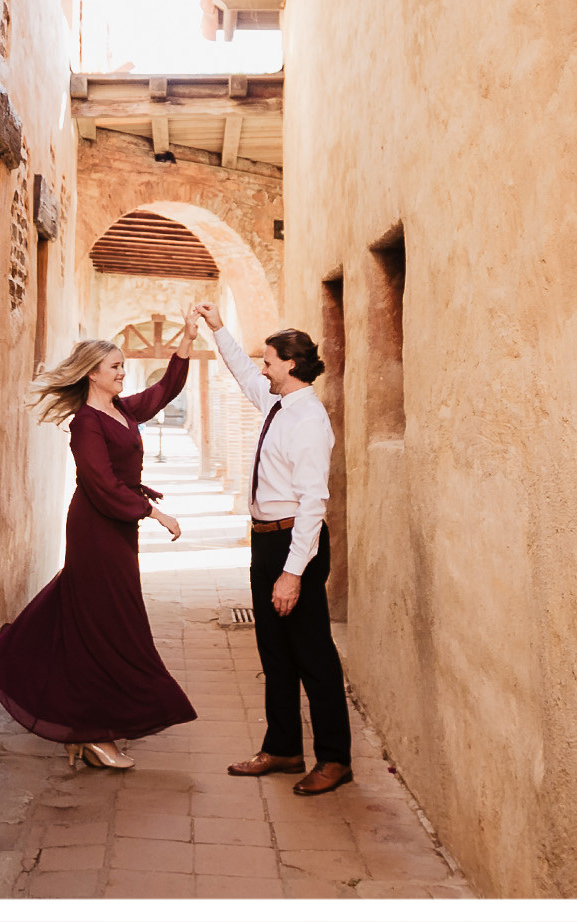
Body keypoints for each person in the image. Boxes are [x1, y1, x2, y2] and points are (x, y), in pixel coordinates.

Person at [0, 322, 199, 770]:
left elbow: (165, 389)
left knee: (91, 615)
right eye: (115, 366)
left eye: (123, 367)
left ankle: (83, 721)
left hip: (116, 529)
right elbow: (102, 485)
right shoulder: (86, 423)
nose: (122, 374)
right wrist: (155, 513)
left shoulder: (122, 411)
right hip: (96, 528)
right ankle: (94, 730)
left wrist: (186, 338)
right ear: (92, 372)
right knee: (108, 625)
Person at [194, 300, 351, 795]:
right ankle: (282, 747)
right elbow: (243, 373)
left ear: (291, 365)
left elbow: (313, 504)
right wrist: (218, 328)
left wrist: (292, 573)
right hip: (266, 542)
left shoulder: (308, 420)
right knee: (275, 652)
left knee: (313, 654)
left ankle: (335, 759)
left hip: (293, 543)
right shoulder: (278, 403)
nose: (262, 368)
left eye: (269, 361)